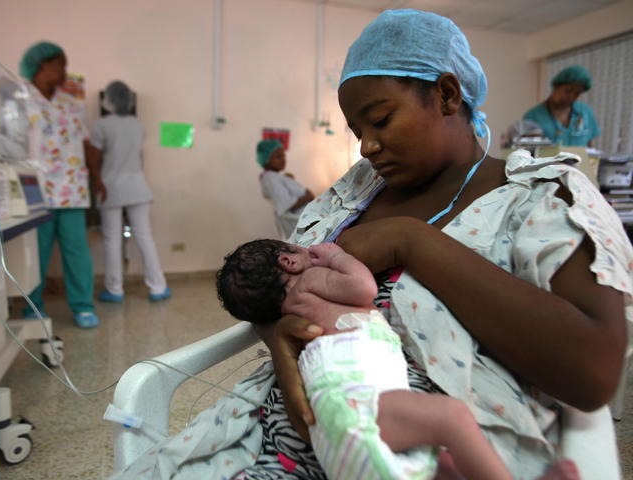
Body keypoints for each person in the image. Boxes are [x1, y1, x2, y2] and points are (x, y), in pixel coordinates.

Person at [111, 9, 632, 480]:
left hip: (441, 451)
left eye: (380, 120)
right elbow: (278, 279)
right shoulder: (355, 193)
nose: (367, 145)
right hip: (284, 434)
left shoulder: (541, 198)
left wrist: (413, 242)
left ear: (447, 95)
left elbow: (592, 374)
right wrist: (277, 333)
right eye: (358, 129)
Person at [217, 239, 580, 480]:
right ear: (289, 260)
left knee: (441, 461)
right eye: (303, 251)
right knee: (451, 418)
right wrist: (335, 257)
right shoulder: (310, 281)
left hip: (340, 427)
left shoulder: (291, 310)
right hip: (355, 402)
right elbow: (364, 288)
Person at [19, 41, 99, 328]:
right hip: (34, 191)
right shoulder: (19, 99)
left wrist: (96, 178)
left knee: (77, 252)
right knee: (35, 254)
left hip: (72, 189)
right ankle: (33, 306)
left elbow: (86, 142)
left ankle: (83, 305)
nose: (64, 71)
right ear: (41, 66)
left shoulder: (70, 103)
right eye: (59, 65)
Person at [88, 81, 171, 303]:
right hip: (137, 186)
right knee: (144, 237)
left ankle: (115, 290)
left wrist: (97, 182)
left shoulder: (101, 125)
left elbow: (93, 159)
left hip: (110, 187)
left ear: (109, 100)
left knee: (111, 239)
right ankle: (158, 287)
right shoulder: (138, 125)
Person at [523, 65, 600, 147]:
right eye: (568, 91)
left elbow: (590, 145)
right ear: (556, 87)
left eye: (577, 93)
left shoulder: (585, 112)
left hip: (582, 160)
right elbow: (528, 151)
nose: (571, 96)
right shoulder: (533, 116)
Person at [257, 139, 314, 239]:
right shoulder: (270, 178)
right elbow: (286, 204)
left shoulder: (274, 176)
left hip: (304, 222)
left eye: (284, 155)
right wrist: (308, 197)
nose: (283, 160)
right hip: (301, 226)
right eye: (278, 156)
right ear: (265, 158)